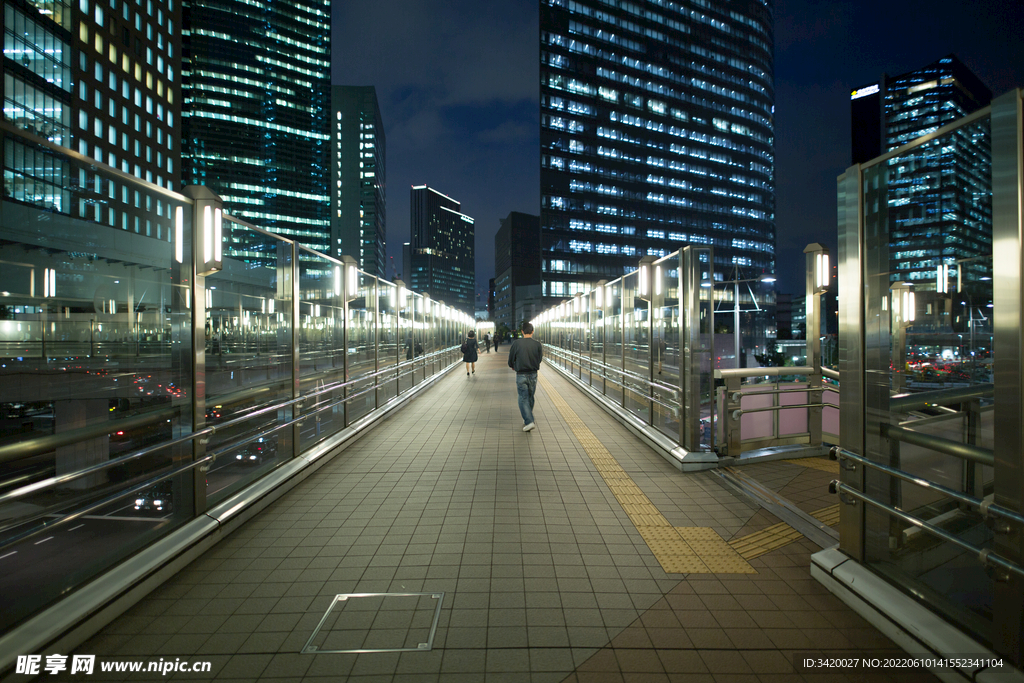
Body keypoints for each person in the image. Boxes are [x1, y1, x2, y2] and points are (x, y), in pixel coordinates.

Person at [507, 321, 542, 432]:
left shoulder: (516, 344)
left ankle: (529, 420)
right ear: (533, 331)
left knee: (523, 398)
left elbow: (510, 359)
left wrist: (513, 366)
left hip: (521, 374)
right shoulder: (537, 344)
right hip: (533, 374)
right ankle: (528, 418)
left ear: (522, 331)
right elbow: (539, 359)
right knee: (530, 397)